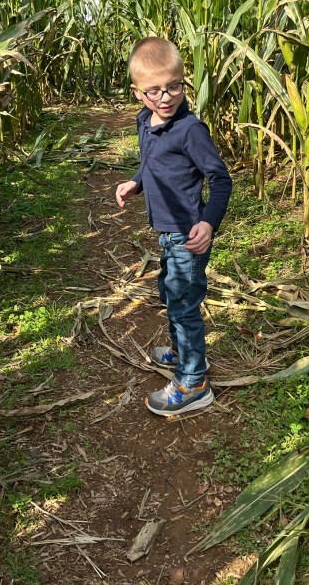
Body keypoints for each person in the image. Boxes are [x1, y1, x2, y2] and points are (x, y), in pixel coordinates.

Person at [115, 37, 232, 416]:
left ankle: (194, 381)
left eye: (174, 87)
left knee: (183, 306)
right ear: (138, 92)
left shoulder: (189, 130)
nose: (165, 98)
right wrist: (136, 182)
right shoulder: (145, 121)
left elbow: (221, 179)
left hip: (188, 234)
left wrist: (208, 223)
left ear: (184, 82)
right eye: (154, 91)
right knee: (170, 293)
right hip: (167, 233)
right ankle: (184, 352)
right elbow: (151, 163)